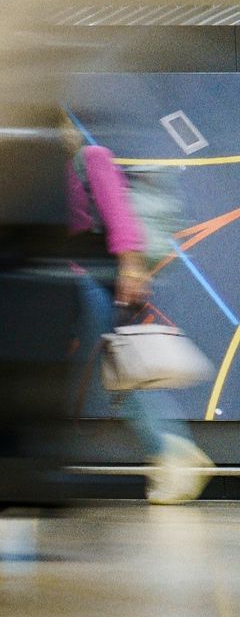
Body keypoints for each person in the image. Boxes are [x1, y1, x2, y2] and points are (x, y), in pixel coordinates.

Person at [66, 129, 211, 504]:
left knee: (118, 372)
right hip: (74, 284)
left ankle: (172, 450)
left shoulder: (90, 158)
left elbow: (119, 214)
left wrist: (132, 267)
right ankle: (174, 450)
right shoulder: (46, 173)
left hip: (91, 283)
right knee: (114, 374)